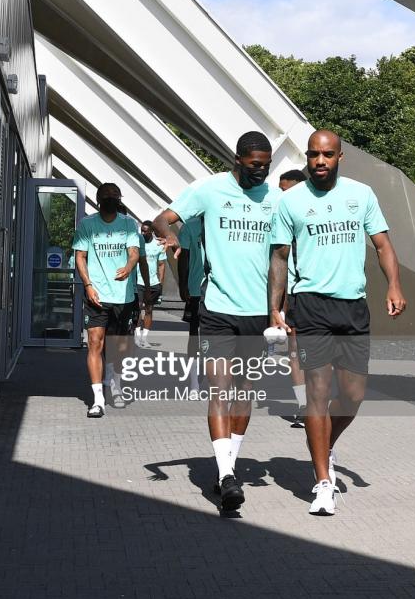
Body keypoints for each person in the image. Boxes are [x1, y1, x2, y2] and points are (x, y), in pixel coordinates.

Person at [269, 129, 407, 516]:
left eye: (327, 155)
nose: (320, 162)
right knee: (316, 391)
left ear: (340, 157)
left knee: (353, 395)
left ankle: (325, 442)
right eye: (314, 155)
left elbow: (382, 244)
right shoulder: (290, 201)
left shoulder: (361, 195)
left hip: (353, 307)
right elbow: (279, 257)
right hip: (310, 307)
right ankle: (323, 483)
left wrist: (394, 285)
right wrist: (274, 309)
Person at [153, 132, 276, 512]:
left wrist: (281, 309)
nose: (261, 172)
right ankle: (225, 477)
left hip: (258, 313)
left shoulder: (276, 199)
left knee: (244, 393)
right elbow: (162, 219)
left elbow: (284, 255)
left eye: (266, 165)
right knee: (220, 391)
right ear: (237, 159)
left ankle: (230, 465)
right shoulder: (208, 189)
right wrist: (170, 238)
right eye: (255, 164)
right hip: (218, 309)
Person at [72, 183, 145, 418]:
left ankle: (116, 382)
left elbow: (134, 252)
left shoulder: (128, 224)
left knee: (120, 348)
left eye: (116, 196)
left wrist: (128, 266)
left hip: (123, 296)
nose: (112, 199)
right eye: (108, 196)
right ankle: (98, 400)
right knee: (95, 342)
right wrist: (88, 285)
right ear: (99, 200)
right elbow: (80, 256)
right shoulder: (87, 225)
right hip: (97, 295)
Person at [277, 168, 308, 427]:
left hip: (320, 294)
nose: (281, 196)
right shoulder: (283, 216)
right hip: (294, 295)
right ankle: (303, 405)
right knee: (295, 351)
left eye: (285, 190)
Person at [175, 215, 206, 391]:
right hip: (196, 289)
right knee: (194, 335)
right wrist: (183, 285)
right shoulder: (189, 227)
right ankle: (194, 381)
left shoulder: (224, 220)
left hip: (222, 290)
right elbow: (183, 257)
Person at [134, 219, 166, 348]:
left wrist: (161, 283)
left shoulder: (158, 245)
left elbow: (162, 265)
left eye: (145, 231)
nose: (142, 233)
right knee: (138, 308)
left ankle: (144, 338)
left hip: (153, 283)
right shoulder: (136, 243)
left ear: (151, 231)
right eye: (141, 230)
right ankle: (136, 336)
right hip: (139, 282)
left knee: (149, 309)